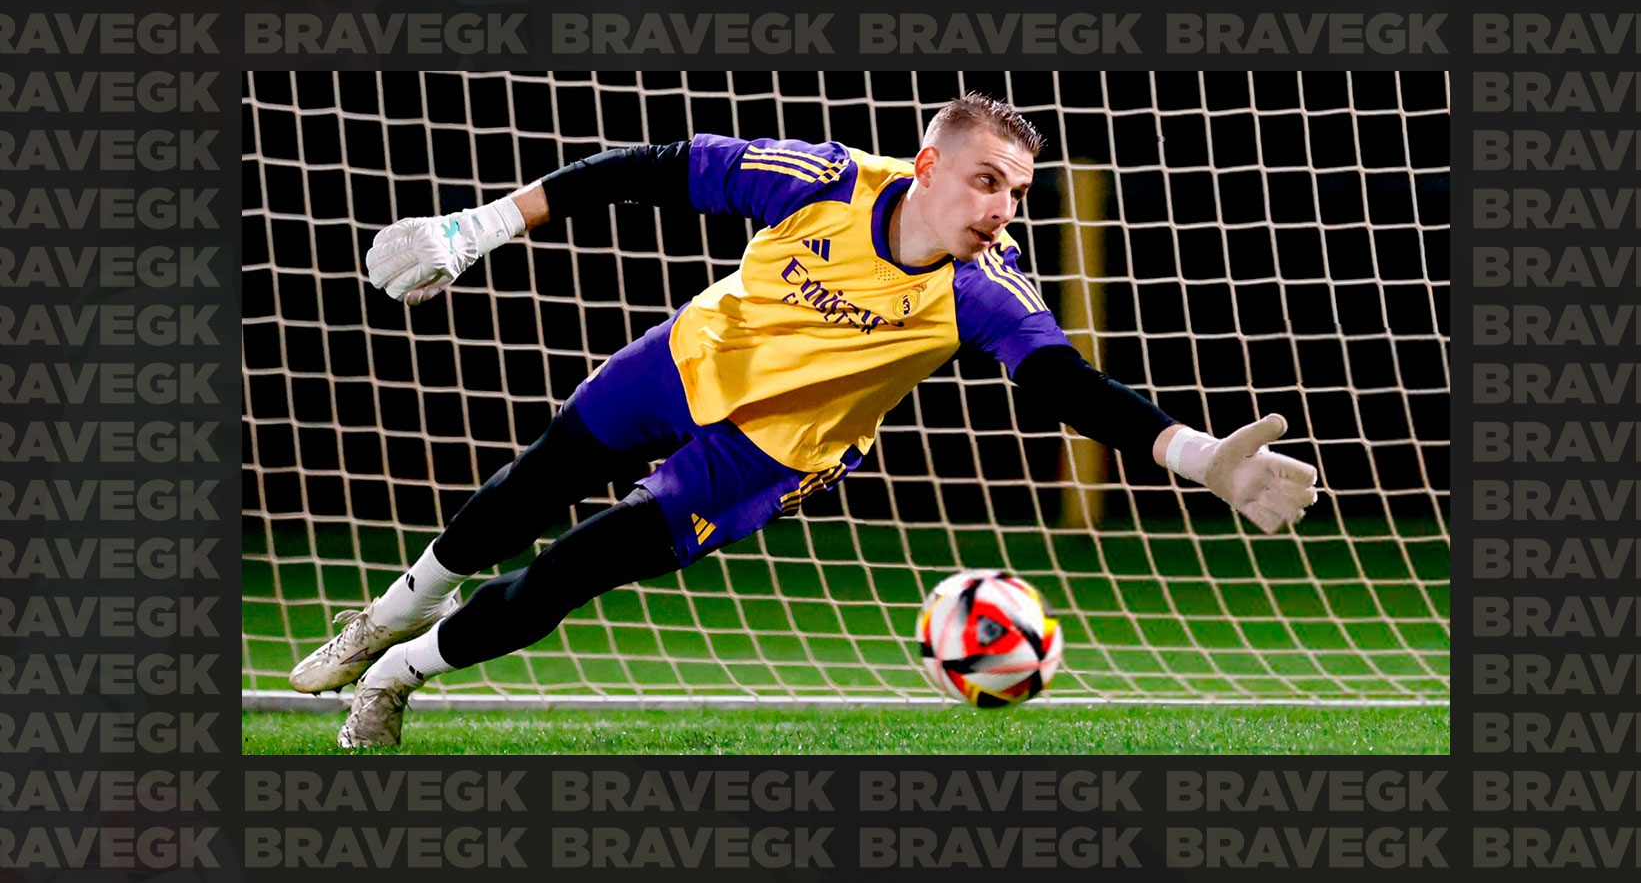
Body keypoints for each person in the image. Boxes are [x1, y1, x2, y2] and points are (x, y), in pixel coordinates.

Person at [291, 93, 1320, 748]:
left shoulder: (986, 290)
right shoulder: (823, 180)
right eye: (986, 182)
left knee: (574, 568)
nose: (1003, 209)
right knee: (528, 487)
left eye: (1016, 192)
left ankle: (397, 674)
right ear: (927, 167)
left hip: (770, 454)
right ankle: (388, 613)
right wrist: (476, 228)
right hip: (691, 358)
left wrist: (1199, 457)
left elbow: (1067, 385)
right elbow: (651, 168)